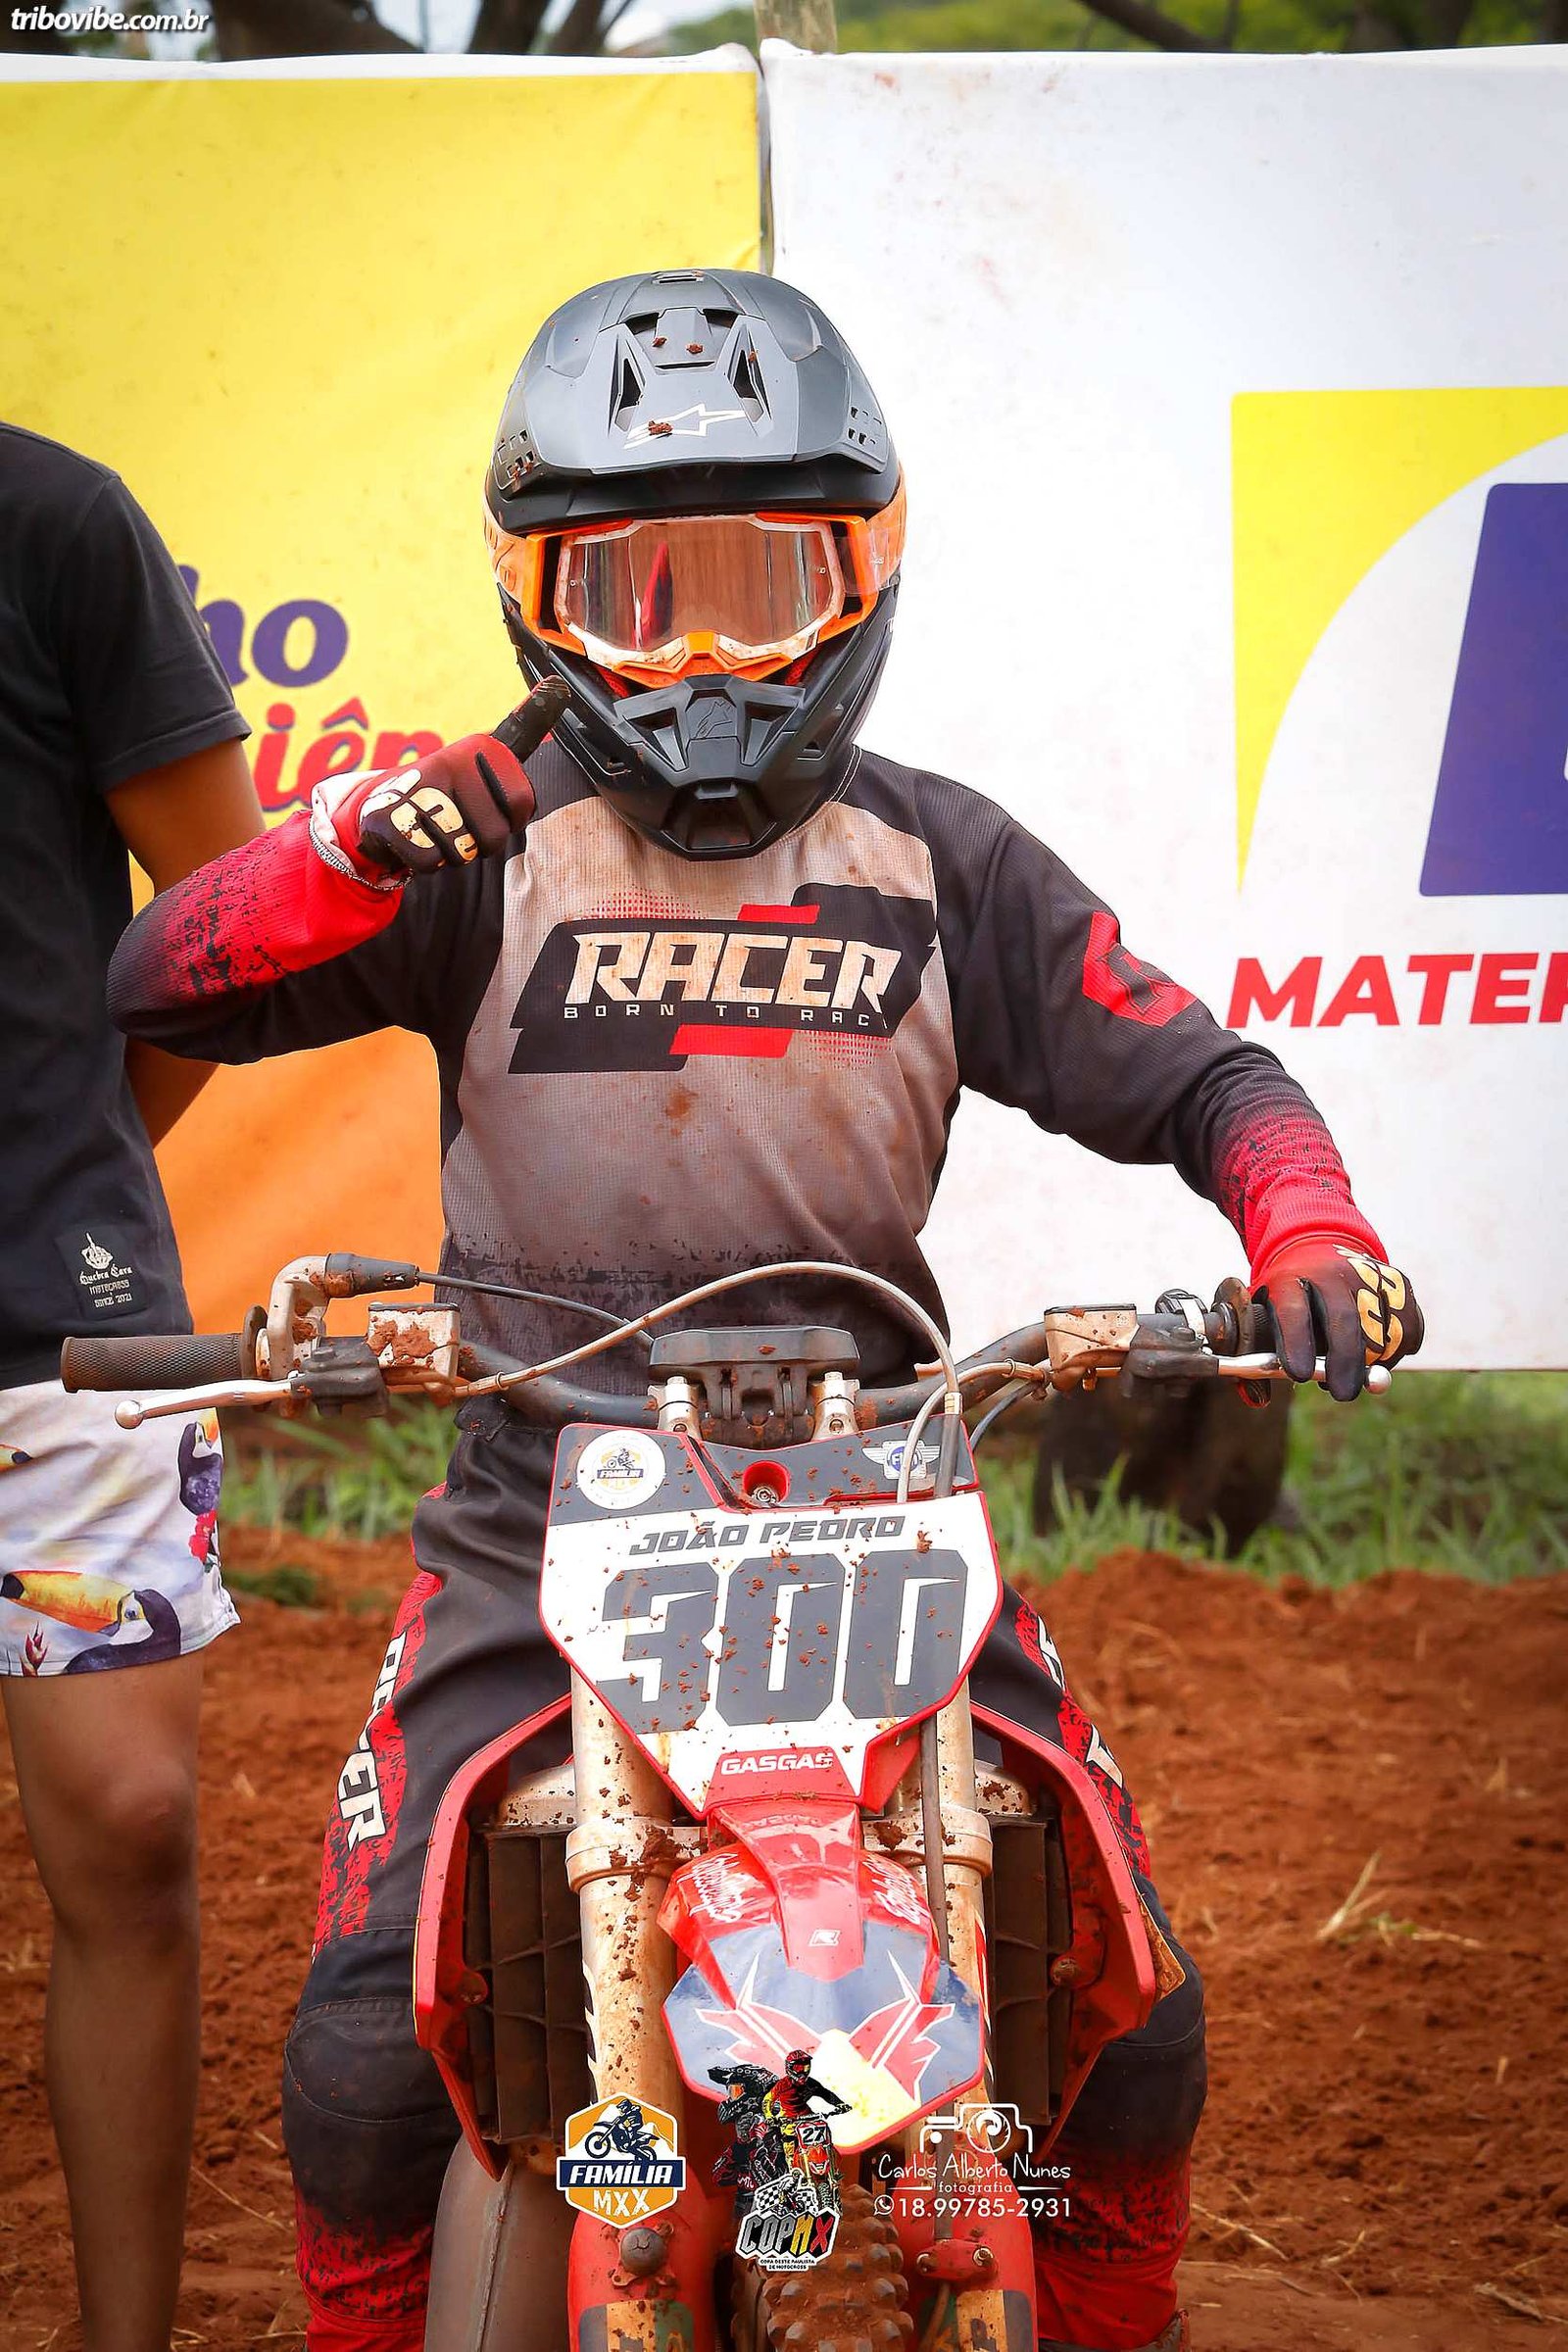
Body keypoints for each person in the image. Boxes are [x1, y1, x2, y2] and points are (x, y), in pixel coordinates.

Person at [106, 270, 1422, 2352]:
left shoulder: (939, 860)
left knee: (1133, 2030)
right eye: (639, 598)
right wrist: (344, 846)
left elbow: (1206, 1075)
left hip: (880, 1504)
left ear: (865, 573)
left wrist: (1306, 1221)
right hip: (537, 1514)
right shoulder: (478, 847)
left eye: (760, 585)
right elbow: (165, 979)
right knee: (362, 2072)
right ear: (534, 597)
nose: (703, 658)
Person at [0, 424, 263, 2352]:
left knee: (134, 1814)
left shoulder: (51, 519)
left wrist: (84, 1158)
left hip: (54, 1312)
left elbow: (220, 932)